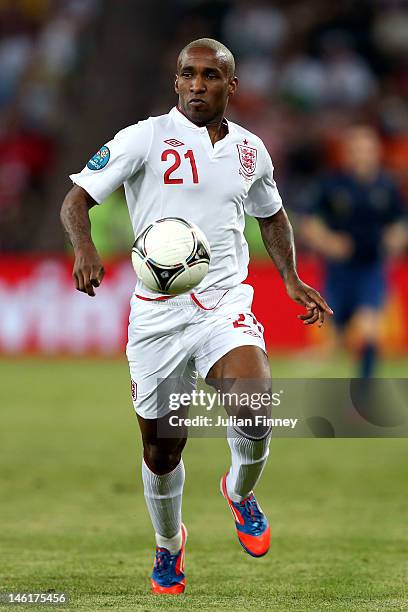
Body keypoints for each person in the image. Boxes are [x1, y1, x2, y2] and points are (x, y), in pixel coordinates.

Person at [60, 38, 332, 595]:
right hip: (157, 318)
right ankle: (168, 548)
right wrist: (83, 246)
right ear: (176, 81)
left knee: (254, 407)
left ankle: (239, 492)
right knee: (162, 448)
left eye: (211, 76)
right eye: (188, 74)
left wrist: (289, 278)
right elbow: (76, 199)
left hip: (223, 303)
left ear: (231, 85)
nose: (197, 85)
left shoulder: (252, 151)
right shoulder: (144, 138)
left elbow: (272, 216)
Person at [301, 126, 406, 377]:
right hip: (338, 272)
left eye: (367, 150)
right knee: (334, 342)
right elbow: (307, 222)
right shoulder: (330, 183)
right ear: (347, 154)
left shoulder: (387, 185)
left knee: (369, 331)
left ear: (377, 153)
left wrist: (396, 238)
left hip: (370, 268)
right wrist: (328, 241)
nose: (362, 155)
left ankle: (364, 393)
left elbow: (400, 222)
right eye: (356, 150)